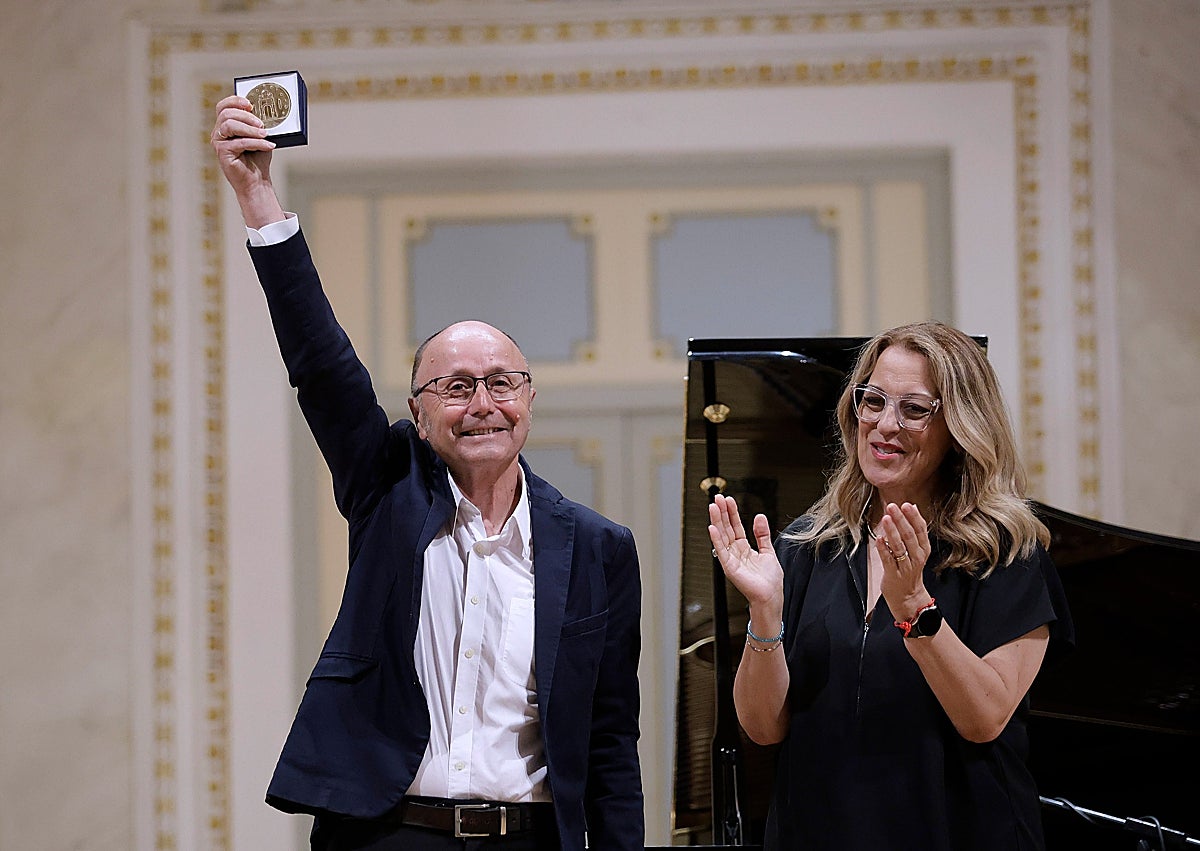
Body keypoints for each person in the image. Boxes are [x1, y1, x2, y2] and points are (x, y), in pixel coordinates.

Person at [211, 95, 644, 850]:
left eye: (502, 383)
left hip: (529, 836)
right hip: (390, 833)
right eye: (456, 386)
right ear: (418, 412)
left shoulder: (598, 547)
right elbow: (322, 366)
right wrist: (258, 197)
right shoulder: (387, 487)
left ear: (529, 401)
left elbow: (610, 738)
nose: (483, 404)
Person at [708, 321, 1073, 850]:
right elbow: (764, 728)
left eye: (915, 409)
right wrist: (765, 614)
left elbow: (985, 718)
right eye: (873, 401)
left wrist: (915, 608)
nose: (884, 425)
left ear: (960, 427)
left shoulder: (1005, 554)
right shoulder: (808, 546)